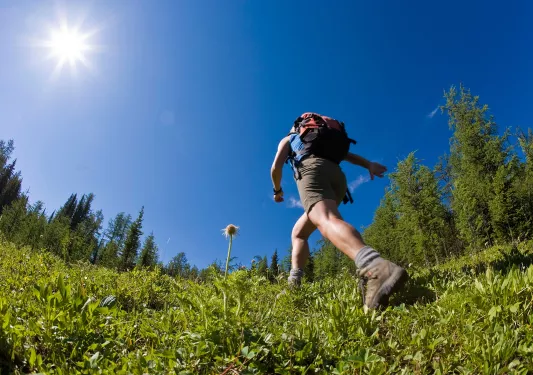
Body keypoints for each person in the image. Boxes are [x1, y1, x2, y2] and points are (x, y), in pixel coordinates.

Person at [270, 112, 407, 309]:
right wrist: (369, 164)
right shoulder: (323, 140)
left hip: (312, 170)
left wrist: (277, 191)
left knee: (326, 219)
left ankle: (375, 267)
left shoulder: (290, 138)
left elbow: (275, 167)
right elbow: (348, 156)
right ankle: (294, 283)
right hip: (337, 179)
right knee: (299, 233)